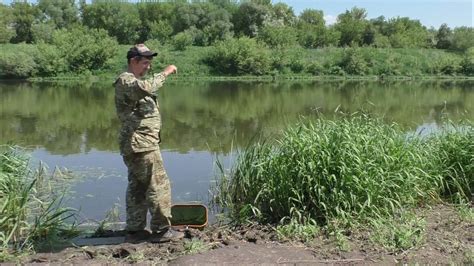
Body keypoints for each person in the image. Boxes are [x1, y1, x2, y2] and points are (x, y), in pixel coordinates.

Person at [114, 44, 184, 243]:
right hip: (141, 145)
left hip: (139, 144)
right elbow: (146, 87)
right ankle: (162, 230)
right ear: (133, 61)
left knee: (138, 187)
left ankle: (135, 231)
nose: (148, 67)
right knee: (158, 185)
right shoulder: (126, 80)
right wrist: (166, 72)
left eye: (149, 64)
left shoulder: (132, 81)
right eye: (145, 63)